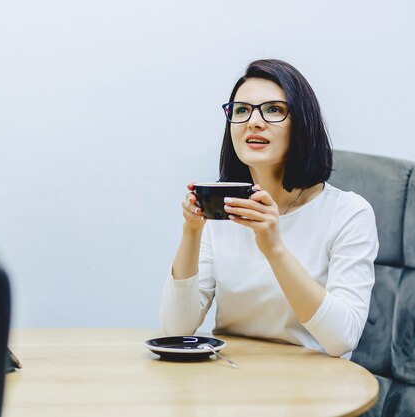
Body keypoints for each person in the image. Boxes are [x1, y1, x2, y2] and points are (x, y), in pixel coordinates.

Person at [160, 59, 379, 358]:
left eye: (273, 109)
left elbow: (342, 339)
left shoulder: (348, 213)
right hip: (233, 383)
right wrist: (192, 232)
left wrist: (274, 249)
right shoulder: (223, 211)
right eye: (241, 110)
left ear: (302, 123)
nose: (254, 121)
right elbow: (176, 331)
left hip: (314, 392)